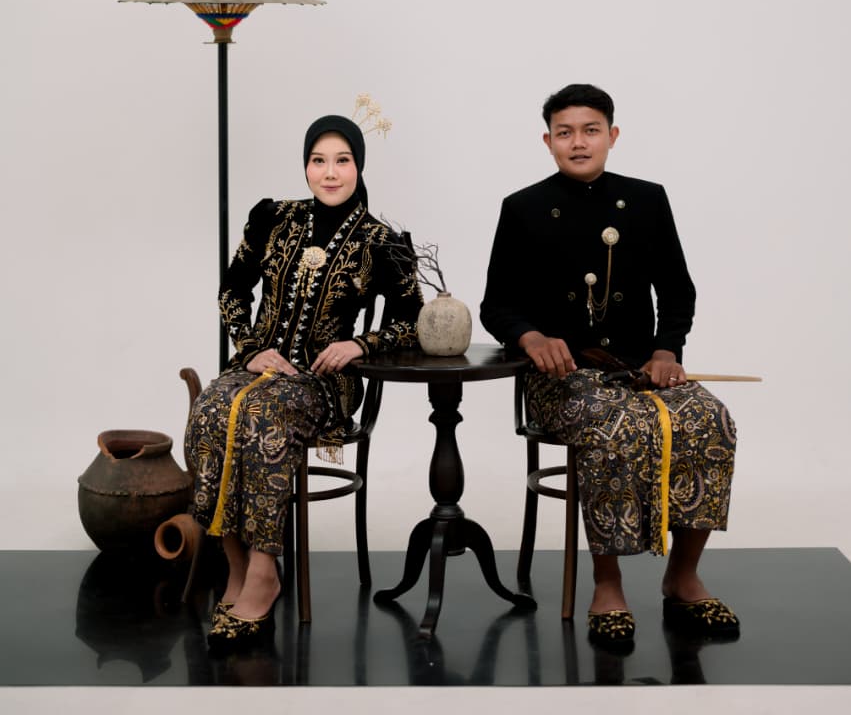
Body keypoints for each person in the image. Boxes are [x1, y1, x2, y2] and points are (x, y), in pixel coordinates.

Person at [480, 84, 738, 647]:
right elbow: (496, 304)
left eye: (590, 130)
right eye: (565, 133)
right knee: (612, 424)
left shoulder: (647, 199)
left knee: (710, 418)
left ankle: (683, 576)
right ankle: (608, 582)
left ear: (612, 136)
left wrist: (667, 351)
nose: (578, 142)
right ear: (548, 141)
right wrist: (530, 337)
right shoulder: (521, 207)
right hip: (560, 378)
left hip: (641, 368)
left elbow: (678, 291)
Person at [186, 114, 423, 651]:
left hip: (324, 383)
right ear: (306, 166)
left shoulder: (380, 242)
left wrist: (361, 345)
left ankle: (264, 571)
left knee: (265, 415)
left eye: (342, 161)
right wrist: (251, 349)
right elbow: (232, 290)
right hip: (256, 370)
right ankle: (235, 563)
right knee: (210, 409)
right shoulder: (273, 218)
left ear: (359, 166)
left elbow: (414, 320)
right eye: (318, 161)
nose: (330, 173)